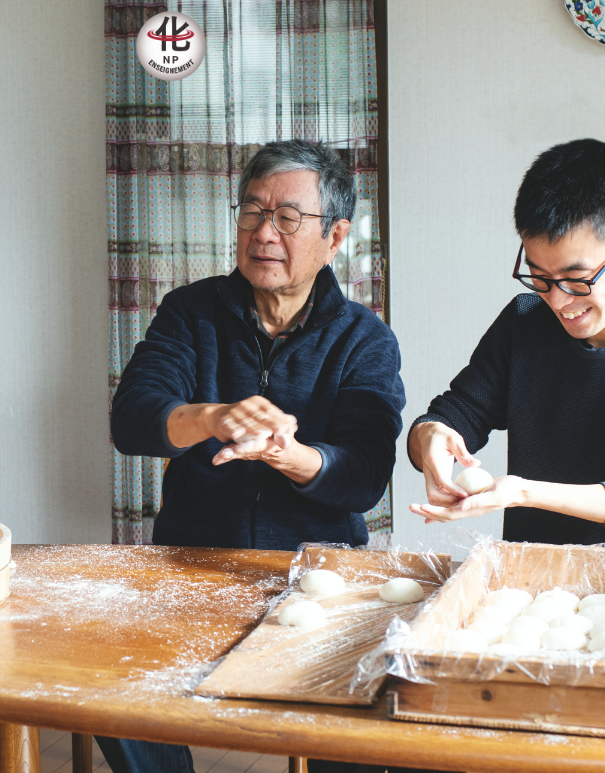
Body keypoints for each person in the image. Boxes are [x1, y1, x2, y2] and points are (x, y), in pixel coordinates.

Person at [105, 139, 406, 773]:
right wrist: (214, 416)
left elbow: (366, 472)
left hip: (317, 571)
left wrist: (290, 456)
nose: (264, 232)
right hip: (194, 562)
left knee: (359, 733)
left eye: (288, 217)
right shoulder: (190, 312)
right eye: (252, 211)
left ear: (337, 235)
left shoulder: (365, 339)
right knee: (115, 687)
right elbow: (133, 418)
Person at [408, 138, 605, 547]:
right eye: (539, 277)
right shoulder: (525, 323)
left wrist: (525, 493)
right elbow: (456, 412)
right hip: (533, 584)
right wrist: (429, 436)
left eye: (576, 279)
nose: (558, 300)